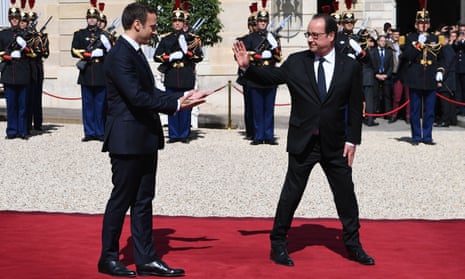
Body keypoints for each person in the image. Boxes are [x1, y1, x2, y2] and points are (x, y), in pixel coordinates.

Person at [233, 13, 374, 266]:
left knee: (345, 195)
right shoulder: (297, 62)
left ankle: (353, 244)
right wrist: (247, 67)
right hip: (303, 141)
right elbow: (271, 78)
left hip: (335, 144)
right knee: (291, 194)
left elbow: (354, 107)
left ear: (331, 36)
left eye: (315, 35)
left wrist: (353, 140)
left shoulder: (349, 66)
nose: (309, 39)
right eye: (308, 34)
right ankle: (278, 243)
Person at [98, 3, 210, 277]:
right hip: (126, 139)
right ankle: (108, 257)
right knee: (121, 199)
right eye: (152, 25)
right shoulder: (119, 55)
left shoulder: (134, 53)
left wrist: (179, 99)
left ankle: (146, 257)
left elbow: (150, 91)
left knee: (143, 200)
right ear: (137, 24)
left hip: (144, 137)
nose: (154, 30)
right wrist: (176, 105)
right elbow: (136, 97)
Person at [154, 7, 203, 144]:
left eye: (179, 21)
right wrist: (170, 57)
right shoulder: (166, 39)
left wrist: (188, 54)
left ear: (184, 23)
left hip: (186, 75)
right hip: (171, 75)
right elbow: (157, 56)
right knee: (172, 105)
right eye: (175, 21)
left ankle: (184, 134)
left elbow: (199, 56)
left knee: (186, 105)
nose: (177, 23)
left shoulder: (192, 39)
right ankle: (174, 134)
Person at [236, 5, 282, 145]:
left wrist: (274, 48)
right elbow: (241, 55)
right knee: (257, 107)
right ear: (256, 23)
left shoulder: (273, 37)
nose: (262, 23)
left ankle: (268, 135)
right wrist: (257, 56)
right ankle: (257, 135)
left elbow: (279, 58)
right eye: (260, 21)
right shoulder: (249, 38)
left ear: (267, 22)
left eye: (264, 21)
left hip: (269, 74)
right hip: (256, 73)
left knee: (269, 107)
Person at [401, 9, 444, 145]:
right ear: (416, 25)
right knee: (415, 110)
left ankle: (427, 136)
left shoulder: (435, 39)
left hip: (430, 76)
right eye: (420, 23)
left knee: (430, 110)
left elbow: (441, 58)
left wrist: (440, 71)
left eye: (425, 22)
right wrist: (418, 44)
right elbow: (407, 56)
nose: (423, 25)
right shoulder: (410, 38)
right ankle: (416, 136)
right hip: (415, 76)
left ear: (429, 24)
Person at [71, 7, 112, 142]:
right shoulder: (80, 34)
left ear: (98, 19)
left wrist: (105, 50)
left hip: (100, 72)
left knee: (100, 105)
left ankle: (100, 132)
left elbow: (113, 54)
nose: (92, 20)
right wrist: (87, 54)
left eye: (94, 18)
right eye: (90, 18)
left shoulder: (105, 35)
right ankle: (89, 132)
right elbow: (73, 50)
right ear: (87, 19)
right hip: (86, 72)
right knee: (88, 105)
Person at [0, 7, 32, 140]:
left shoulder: (27, 34)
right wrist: (7, 56)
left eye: (17, 18)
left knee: (23, 105)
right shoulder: (3, 34)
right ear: (9, 19)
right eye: (12, 18)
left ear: (20, 19)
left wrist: (24, 46)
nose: (14, 20)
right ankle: (12, 131)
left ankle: (23, 130)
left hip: (23, 72)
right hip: (9, 72)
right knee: (11, 105)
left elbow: (33, 53)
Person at [435, 32, 457, 127]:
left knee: (445, 101)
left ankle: (445, 120)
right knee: (449, 101)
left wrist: (440, 79)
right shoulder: (448, 49)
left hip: (447, 79)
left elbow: (446, 66)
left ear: (446, 40)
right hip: (450, 78)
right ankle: (451, 119)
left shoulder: (446, 49)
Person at [371, 34, 394, 121]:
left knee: (387, 96)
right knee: (375, 95)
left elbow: (391, 66)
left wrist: (387, 75)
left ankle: (388, 114)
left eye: (384, 41)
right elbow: (370, 65)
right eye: (381, 41)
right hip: (376, 75)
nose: (383, 43)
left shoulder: (389, 52)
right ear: (377, 42)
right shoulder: (372, 52)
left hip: (385, 76)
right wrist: (376, 74)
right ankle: (373, 114)